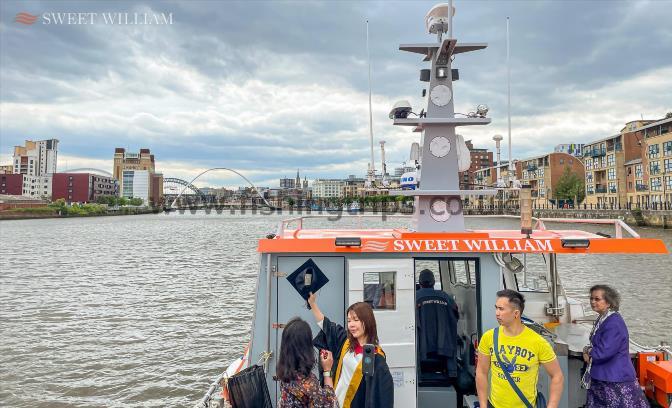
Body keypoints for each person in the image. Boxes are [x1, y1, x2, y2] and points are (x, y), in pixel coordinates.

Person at [476, 289, 564, 408]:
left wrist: (551, 406)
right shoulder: (489, 337)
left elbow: (557, 376)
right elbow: (481, 372)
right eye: (496, 308)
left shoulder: (538, 342)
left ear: (516, 313)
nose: (497, 313)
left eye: (501, 309)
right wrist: (483, 405)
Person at [308, 292, 394, 408]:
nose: (351, 325)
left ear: (367, 321)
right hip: (335, 403)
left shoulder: (376, 357)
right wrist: (312, 304)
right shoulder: (346, 343)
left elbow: (383, 396)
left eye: (356, 320)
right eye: (349, 321)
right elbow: (326, 326)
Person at [582, 285, 649, 408]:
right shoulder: (602, 318)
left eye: (597, 299)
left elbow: (603, 352)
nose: (592, 302)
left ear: (608, 302)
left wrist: (588, 350)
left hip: (615, 379)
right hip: (603, 377)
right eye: (591, 298)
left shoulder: (613, 323)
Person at [277, 318, 338, 408]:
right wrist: (327, 370)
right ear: (306, 347)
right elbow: (332, 404)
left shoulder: (286, 376)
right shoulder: (308, 386)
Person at [415, 269, 459, 378]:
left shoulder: (414, 297)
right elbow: (455, 315)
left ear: (420, 283)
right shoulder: (445, 296)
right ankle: (451, 373)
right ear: (434, 282)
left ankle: (418, 376)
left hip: (422, 346)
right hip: (444, 345)